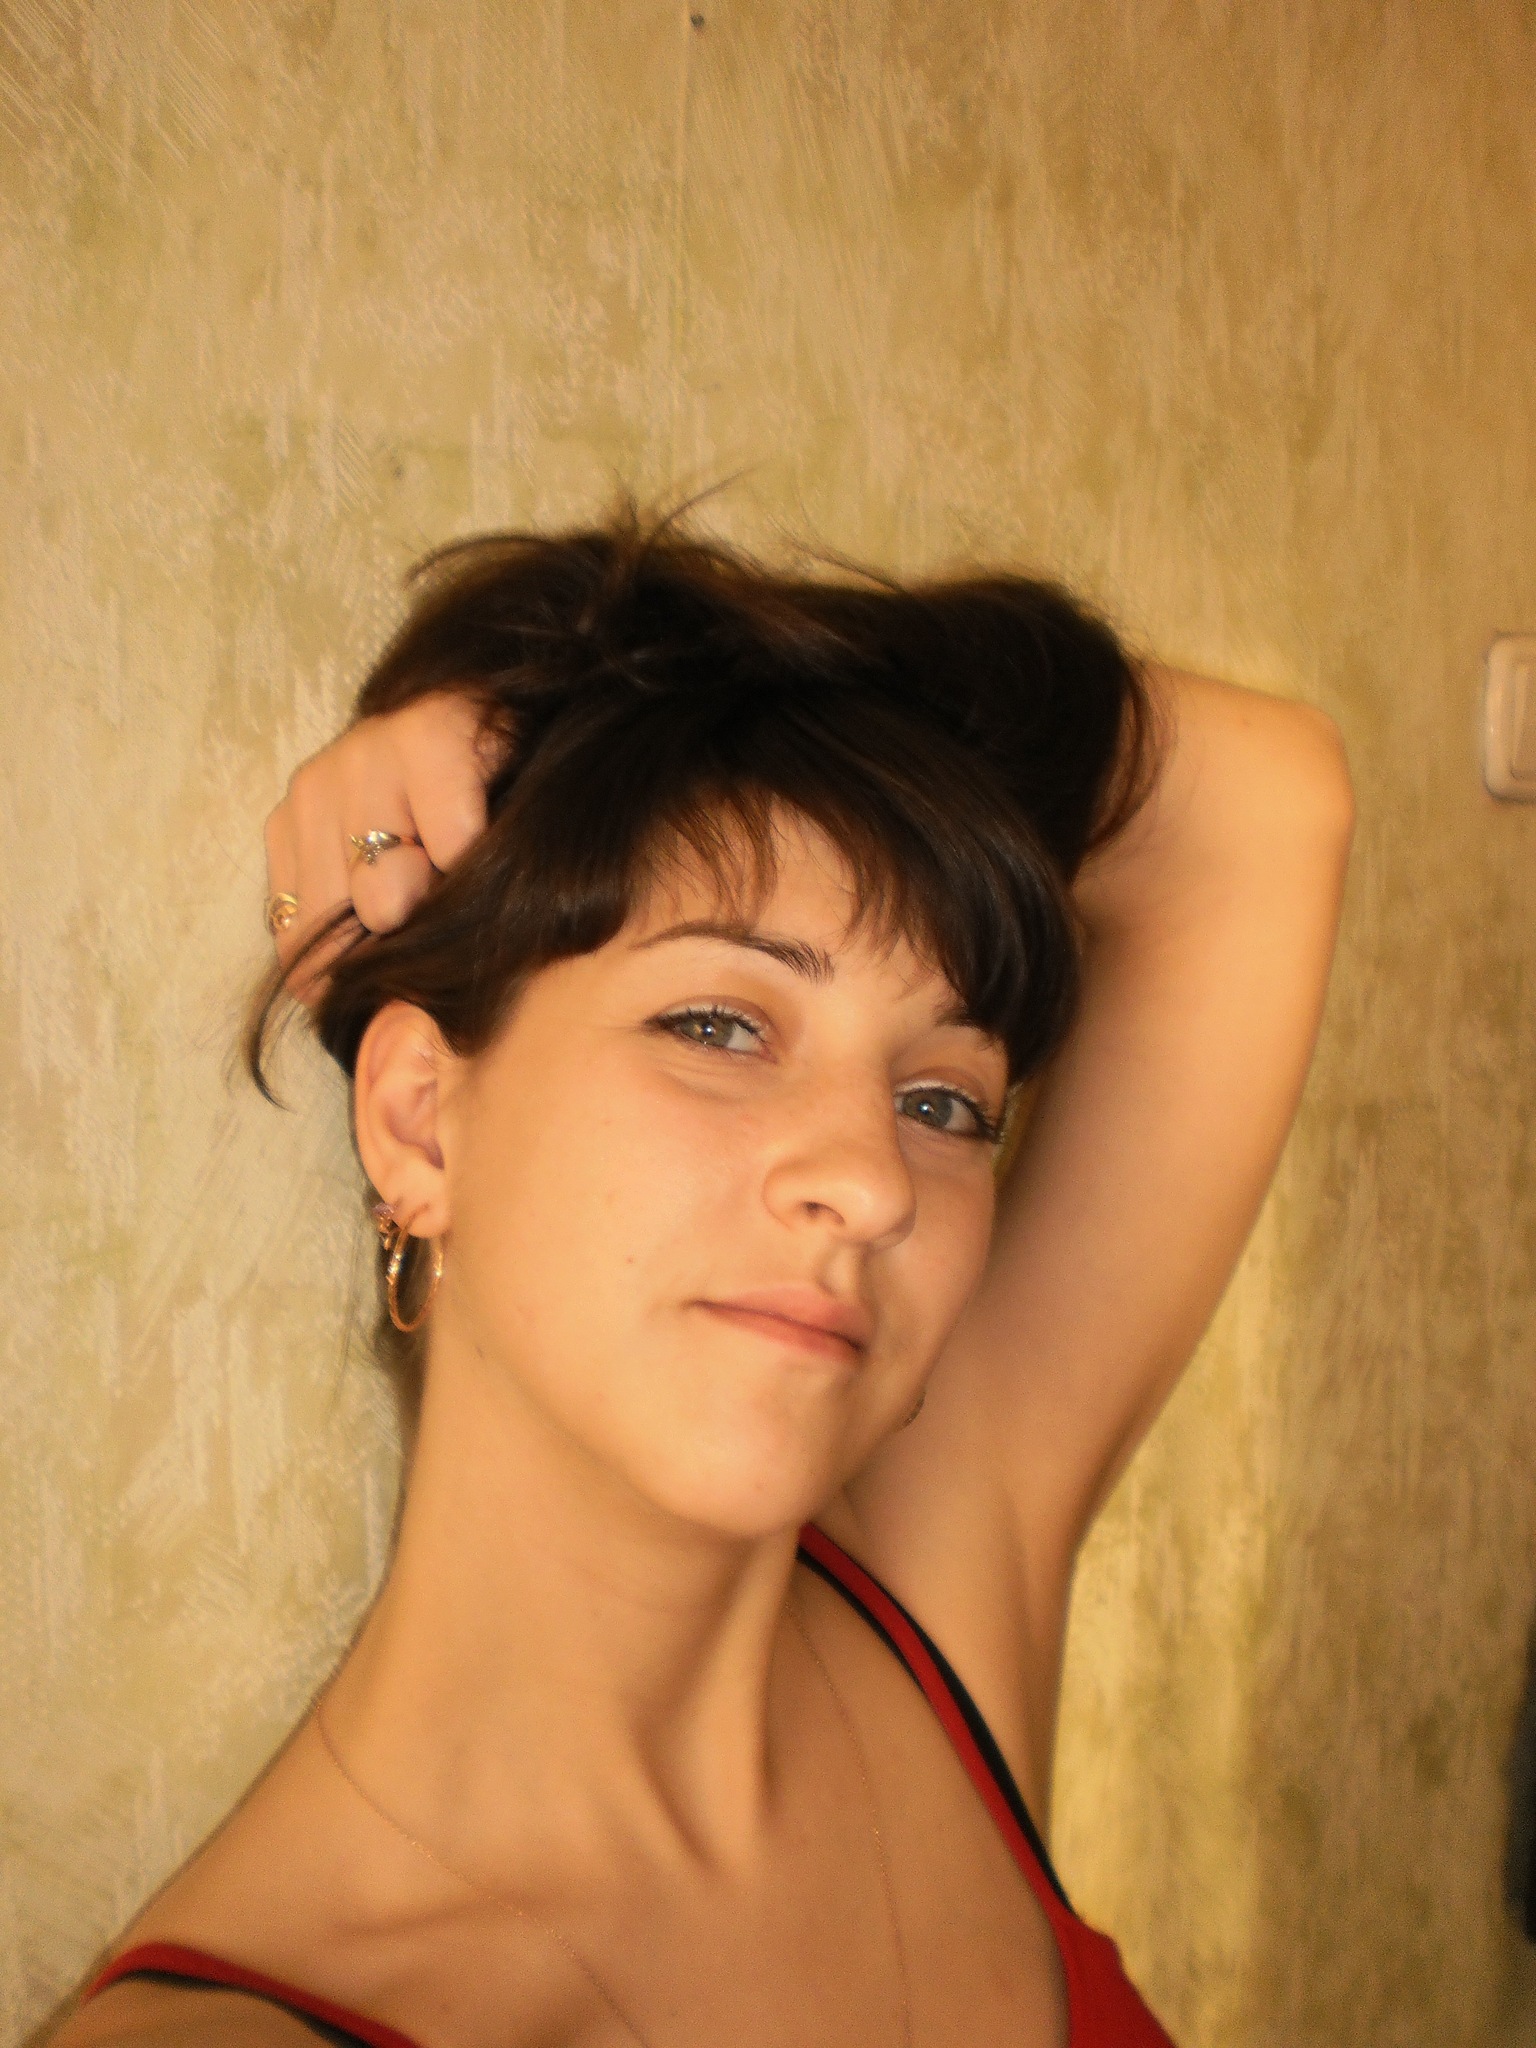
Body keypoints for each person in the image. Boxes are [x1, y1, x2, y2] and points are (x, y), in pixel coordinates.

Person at [52, 507, 1353, 2048]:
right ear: (420, 1121)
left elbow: (1267, 804)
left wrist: (605, 682)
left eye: (945, 1103)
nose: (873, 1182)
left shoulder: (929, 1604)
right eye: (721, 1027)